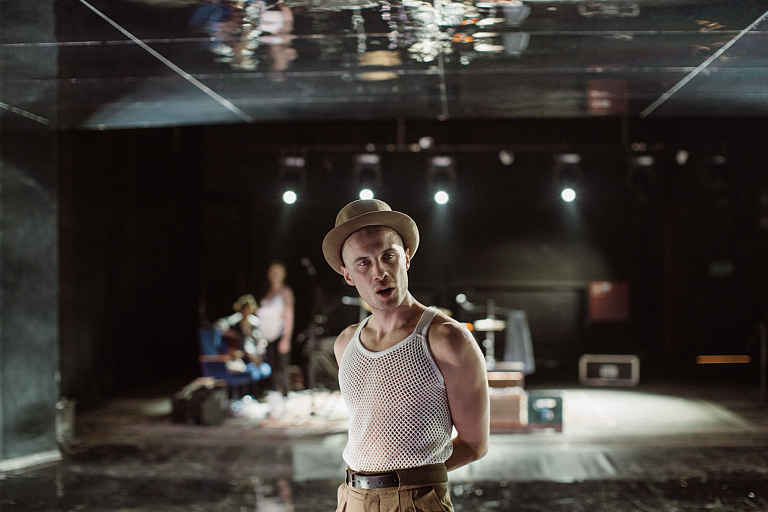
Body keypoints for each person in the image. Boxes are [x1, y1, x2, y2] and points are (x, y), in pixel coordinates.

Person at [322, 199, 489, 512]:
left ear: (406, 258)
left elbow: (475, 444)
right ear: (348, 275)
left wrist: (407, 482)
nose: (380, 272)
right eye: (363, 263)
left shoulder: (447, 338)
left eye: (388, 256)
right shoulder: (345, 344)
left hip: (415, 498)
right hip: (351, 498)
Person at [256, 260, 295, 416]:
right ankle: (273, 402)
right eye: (271, 272)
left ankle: (285, 402)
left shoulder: (285, 292)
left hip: (279, 336)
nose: (274, 275)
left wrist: (286, 339)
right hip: (267, 337)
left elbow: (289, 316)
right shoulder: (267, 292)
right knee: (271, 370)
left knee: (282, 369)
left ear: (283, 274)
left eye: (277, 272)